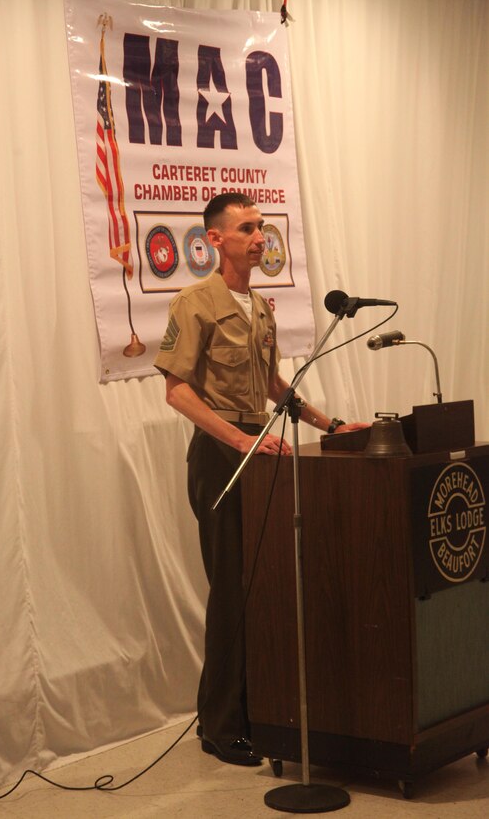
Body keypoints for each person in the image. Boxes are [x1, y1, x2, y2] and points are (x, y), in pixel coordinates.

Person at [154, 193, 364, 766]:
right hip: (225, 454)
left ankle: (258, 711)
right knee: (232, 590)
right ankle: (221, 726)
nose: (259, 237)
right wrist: (242, 439)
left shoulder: (261, 308)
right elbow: (176, 391)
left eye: (261, 228)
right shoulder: (195, 302)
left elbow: (271, 384)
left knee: (263, 588)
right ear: (215, 239)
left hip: (261, 448)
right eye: (246, 229)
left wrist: (332, 423)